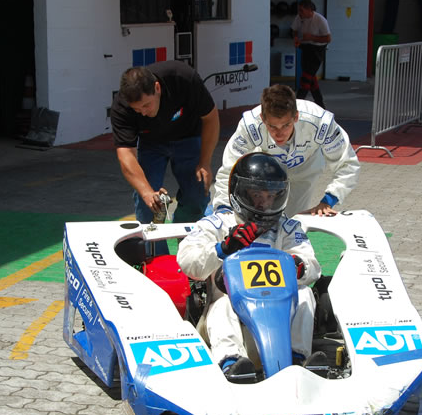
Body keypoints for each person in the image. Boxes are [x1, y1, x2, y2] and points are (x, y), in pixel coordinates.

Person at [177, 153, 323, 382]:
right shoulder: (216, 225)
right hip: (231, 321)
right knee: (224, 303)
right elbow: (187, 260)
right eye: (257, 195)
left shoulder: (287, 228)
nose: (264, 203)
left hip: (279, 320)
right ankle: (231, 364)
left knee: (304, 293)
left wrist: (298, 266)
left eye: (271, 195)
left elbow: (312, 264)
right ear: (239, 193)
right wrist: (223, 249)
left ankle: (297, 360)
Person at [111, 60, 219, 253]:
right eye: (138, 110)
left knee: (197, 196)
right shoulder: (122, 106)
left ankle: (187, 247)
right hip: (150, 144)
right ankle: (156, 257)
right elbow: (125, 155)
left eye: (147, 105)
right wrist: (146, 192)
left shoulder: (182, 78)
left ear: (157, 88)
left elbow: (211, 118)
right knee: (148, 205)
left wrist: (205, 161)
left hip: (189, 137)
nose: (144, 112)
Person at [213, 84, 360, 218]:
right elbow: (229, 169)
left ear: (296, 116)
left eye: (285, 125)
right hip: (265, 171)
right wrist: (223, 207)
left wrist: (329, 200)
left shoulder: (321, 123)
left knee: (292, 221)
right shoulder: (250, 126)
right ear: (262, 119)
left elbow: (347, 164)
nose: (279, 133)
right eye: (272, 127)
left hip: (305, 170)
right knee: (256, 217)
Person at [291, 0, 331, 109]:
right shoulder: (299, 18)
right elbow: (294, 30)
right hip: (305, 48)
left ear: (309, 10)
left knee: (306, 77)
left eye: (302, 10)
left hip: (317, 49)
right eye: (299, 10)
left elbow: (328, 38)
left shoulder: (320, 20)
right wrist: (295, 38)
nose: (300, 13)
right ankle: (320, 104)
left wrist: (312, 37)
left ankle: (297, 104)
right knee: (311, 78)